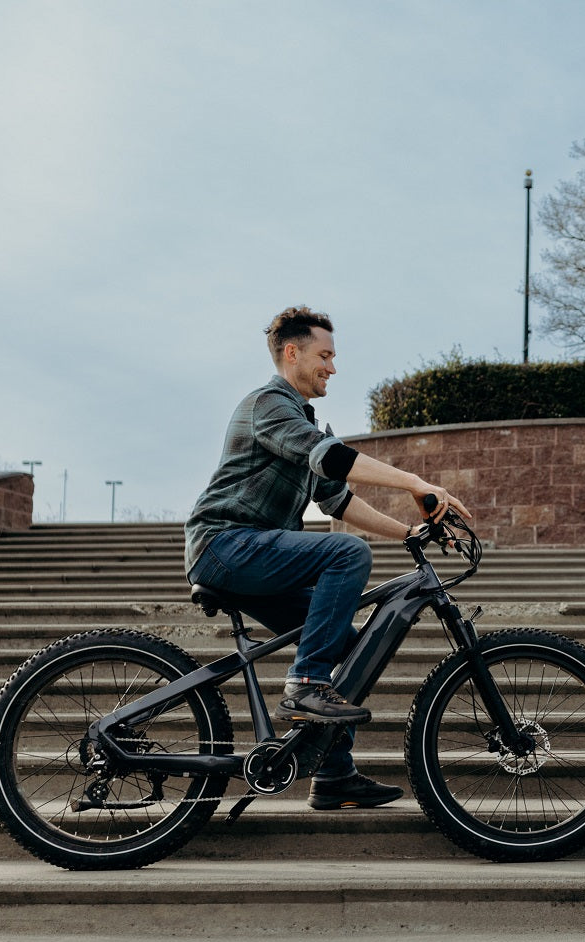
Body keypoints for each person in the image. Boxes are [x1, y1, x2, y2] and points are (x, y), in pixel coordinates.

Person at [184, 305, 472, 810]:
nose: (333, 368)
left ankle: (334, 775)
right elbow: (333, 458)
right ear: (291, 353)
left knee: (347, 646)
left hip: (253, 553)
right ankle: (305, 687)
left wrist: (411, 532)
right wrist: (414, 482)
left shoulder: (301, 417)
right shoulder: (269, 404)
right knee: (346, 553)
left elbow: (335, 499)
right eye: (325, 355)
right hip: (225, 544)